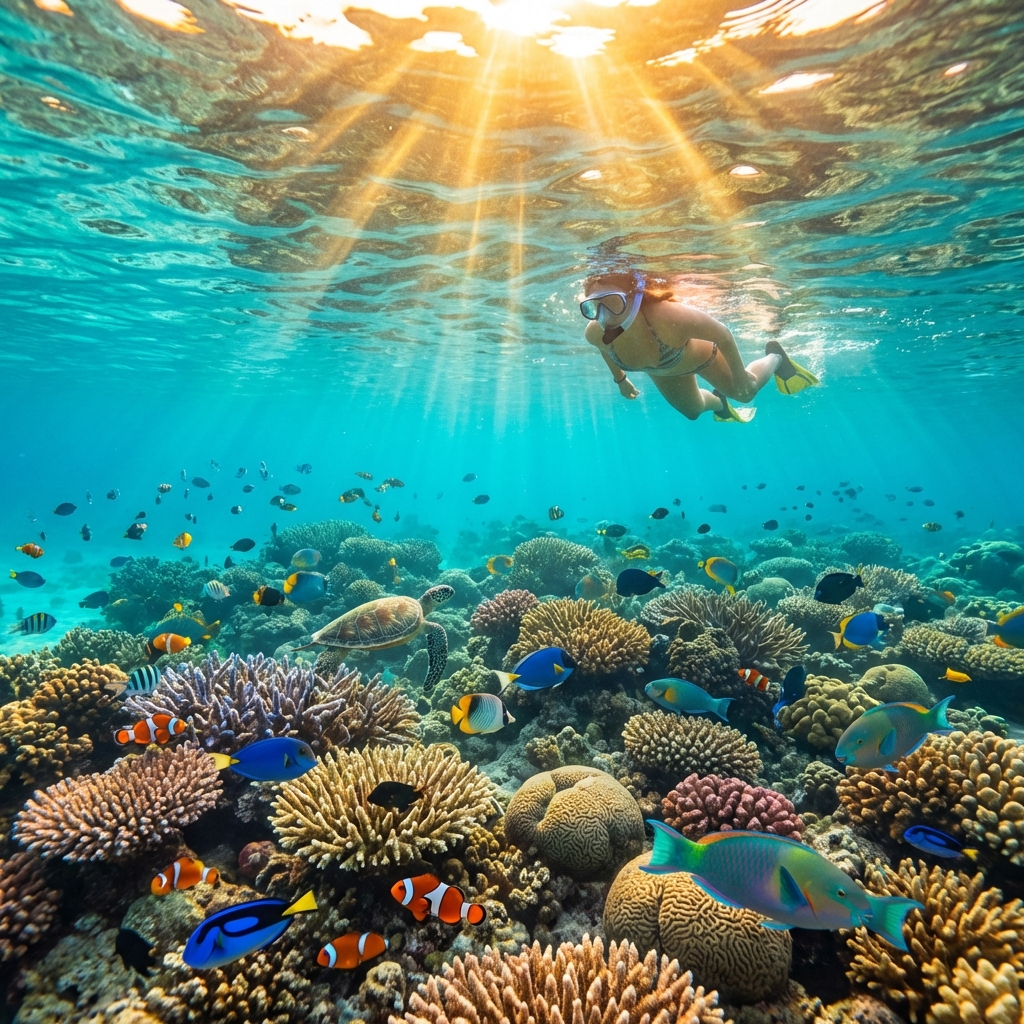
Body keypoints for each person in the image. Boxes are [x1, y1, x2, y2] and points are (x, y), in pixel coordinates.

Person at [580, 270, 818, 421]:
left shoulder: (667, 316)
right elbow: (605, 349)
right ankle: (719, 403)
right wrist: (621, 380)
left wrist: (739, 376)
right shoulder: (595, 333)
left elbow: (723, 335)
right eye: (594, 307)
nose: (605, 316)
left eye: (613, 303)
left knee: (745, 394)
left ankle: (776, 358)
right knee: (692, 412)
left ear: (633, 298)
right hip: (665, 372)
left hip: (704, 358)